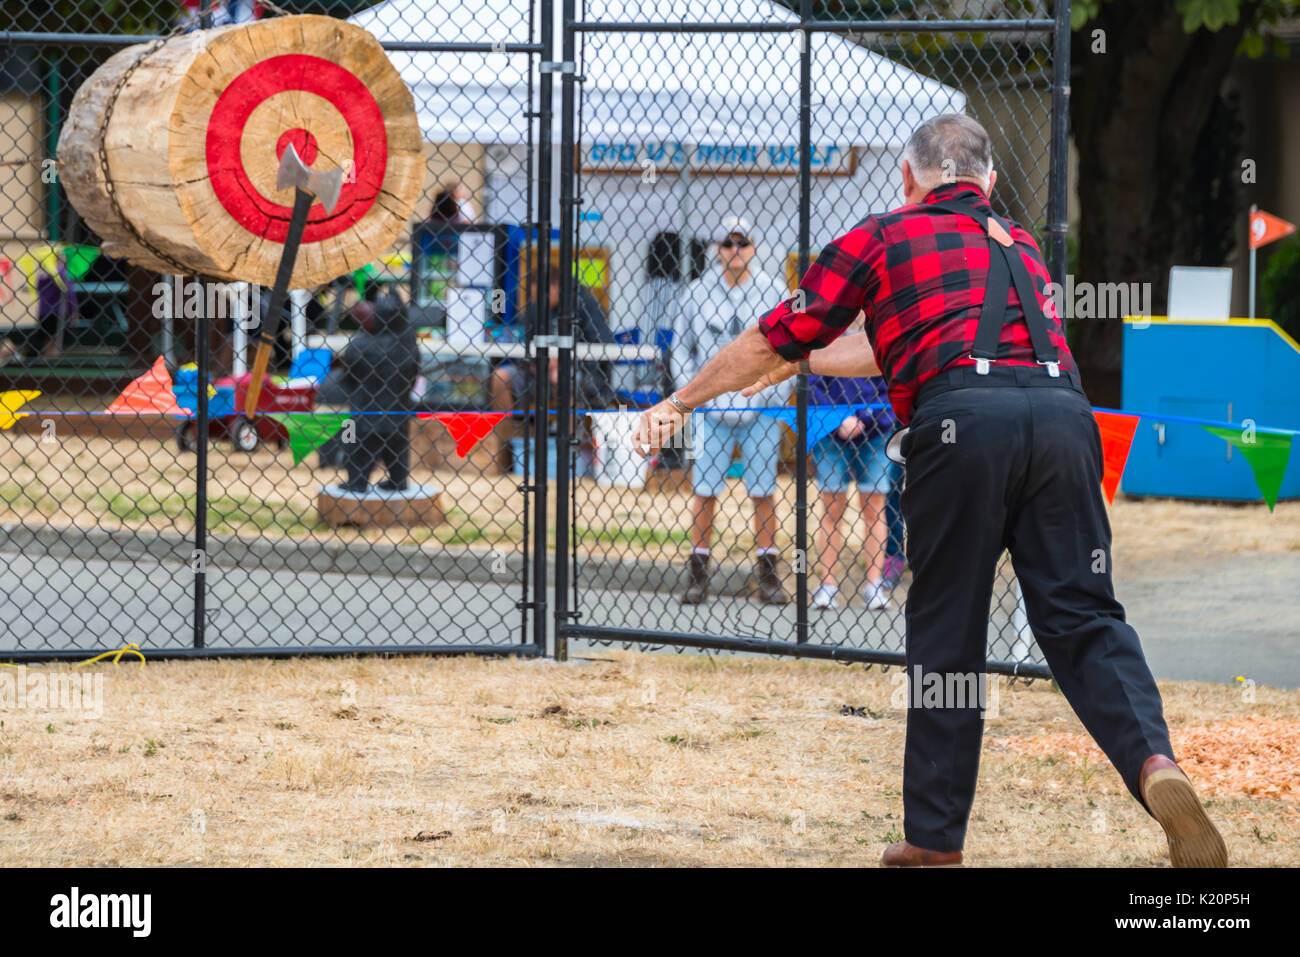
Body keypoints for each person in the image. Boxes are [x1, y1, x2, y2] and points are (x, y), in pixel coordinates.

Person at [634, 113, 1227, 869]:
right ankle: (1155, 763)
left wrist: (678, 402)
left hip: (961, 428)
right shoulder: (1022, 245)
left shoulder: (881, 237)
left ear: (908, 179)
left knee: (949, 630)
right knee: (1083, 615)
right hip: (1064, 420)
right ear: (987, 183)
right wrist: (803, 362)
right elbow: (886, 342)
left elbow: (772, 335)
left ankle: (935, 841)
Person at [671, 216, 792, 605]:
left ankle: (769, 575)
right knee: (704, 491)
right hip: (711, 410)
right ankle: (697, 573)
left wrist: (776, 392)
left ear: (754, 247)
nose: (735, 250)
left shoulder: (774, 290)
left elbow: (792, 345)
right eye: (727, 243)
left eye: (742, 243)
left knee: (763, 491)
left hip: (760, 407)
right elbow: (679, 347)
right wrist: (693, 395)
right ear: (717, 249)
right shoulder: (695, 293)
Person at [807, 330, 900, 611]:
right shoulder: (828, 326)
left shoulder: (882, 325)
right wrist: (839, 418)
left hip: (876, 432)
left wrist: (865, 418)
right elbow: (812, 380)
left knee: (874, 507)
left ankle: (874, 585)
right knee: (831, 507)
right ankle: (828, 586)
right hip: (830, 432)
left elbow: (893, 379)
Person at [489, 270, 615, 413]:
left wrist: (565, 361)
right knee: (500, 377)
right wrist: (531, 362)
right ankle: (506, 431)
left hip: (580, 371)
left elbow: (603, 344)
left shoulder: (586, 305)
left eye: (544, 294)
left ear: (557, 287)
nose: (540, 299)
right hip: (537, 372)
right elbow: (522, 341)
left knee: (561, 376)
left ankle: (567, 434)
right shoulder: (535, 309)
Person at [337, 292, 419, 493]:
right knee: (397, 448)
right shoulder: (409, 341)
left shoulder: (361, 344)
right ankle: (398, 481)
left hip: (367, 411)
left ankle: (357, 482)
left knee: (360, 449)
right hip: (398, 410)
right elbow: (414, 374)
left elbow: (349, 375)